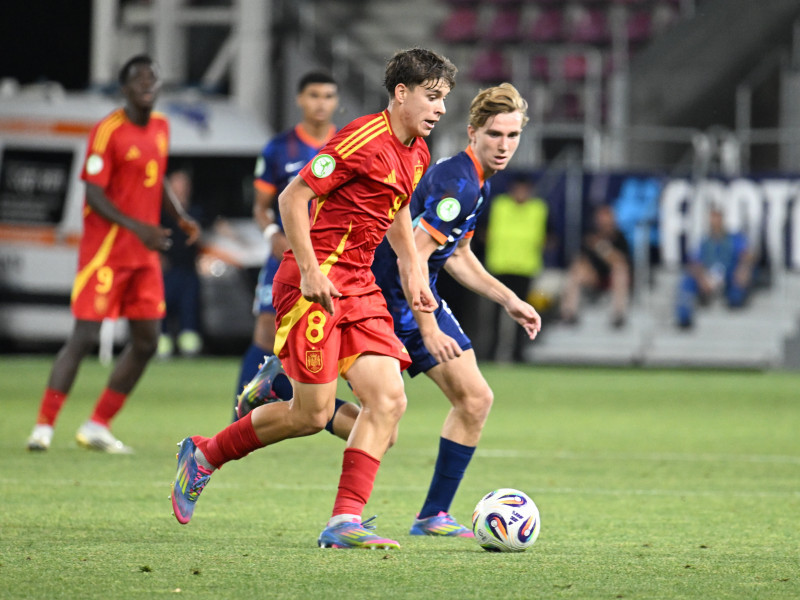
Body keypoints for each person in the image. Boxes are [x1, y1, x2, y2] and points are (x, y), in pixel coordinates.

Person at [170, 48, 458, 550]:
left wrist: (414, 271)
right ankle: (206, 455)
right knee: (311, 415)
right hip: (313, 285)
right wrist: (307, 270)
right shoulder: (360, 138)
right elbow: (291, 198)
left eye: (444, 100)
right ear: (401, 93)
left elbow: (394, 208)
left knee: (388, 406)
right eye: (432, 98)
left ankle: (344, 521)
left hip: (360, 285)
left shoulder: (418, 152)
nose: (440, 109)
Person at [238, 83, 542, 538]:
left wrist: (510, 299)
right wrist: (427, 326)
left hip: (412, 294)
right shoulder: (457, 182)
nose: (504, 145)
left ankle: (429, 513)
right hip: (394, 298)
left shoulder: (472, 180)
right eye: (495, 134)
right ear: (472, 131)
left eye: (513, 136)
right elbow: (414, 256)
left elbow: (456, 254)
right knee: (414, 408)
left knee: (452, 405)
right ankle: (407, 512)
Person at [25, 55, 200, 453]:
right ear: (124, 87)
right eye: (139, 79)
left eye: (153, 78)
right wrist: (138, 226)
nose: (148, 84)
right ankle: (43, 427)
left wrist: (180, 216)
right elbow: (93, 193)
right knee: (84, 337)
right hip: (105, 254)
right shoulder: (107, 131)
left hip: (143, 256)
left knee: (147, 341)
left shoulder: (160, 127)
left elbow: (156, 183)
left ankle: (97, 425)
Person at [234, 72, 340, 418]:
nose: (320, 103)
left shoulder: (345, 144)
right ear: (300, 99)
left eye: (327, 96)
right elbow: (260, 209)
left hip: (333, 258)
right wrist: (271, 236)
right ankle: (240, 415)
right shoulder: (279, 148)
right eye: (314, 95)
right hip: (285, 257)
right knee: (266, 332)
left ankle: (319, 410)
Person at [484, 175, 548, 362]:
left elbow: (549, 237)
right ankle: (491, 352)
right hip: (500, 266)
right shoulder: (499, 205)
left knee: (523, 314)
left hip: (525, 268)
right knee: (495, 316)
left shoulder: (538, 209)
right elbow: (484, 231)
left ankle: (519, 353)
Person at [675, 206, 754, 328]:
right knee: (687, 281)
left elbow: (747, 255)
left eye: (718, 218)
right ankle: (684, 317)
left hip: (728, 273)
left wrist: (743, 267)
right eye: (713, 218)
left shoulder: (734, 238)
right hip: (709, 276)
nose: (715, 222)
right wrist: (702, 278)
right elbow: (694, 262)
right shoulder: (704, 241)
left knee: (740, 275)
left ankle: (735, 301)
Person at [559, 203, 631, 328]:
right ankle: (569, 313)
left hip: (611, 278)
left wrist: (600, 247)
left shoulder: (619, 237)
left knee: (620, 272)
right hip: (594, 277)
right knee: (576, 270)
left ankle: (618, 315)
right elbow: (582, 259)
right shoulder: (590, 235)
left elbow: (620, 261)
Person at [158, 169, 203, 358]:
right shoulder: (160, 212)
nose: (181, 189)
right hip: (165, 271)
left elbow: (209, 230)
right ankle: (161, 346)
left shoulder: (194, 212)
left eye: (184, 185)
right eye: (177, 185)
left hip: (188, 270)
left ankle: (189, 349)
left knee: (189, 309)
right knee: (161, 310)